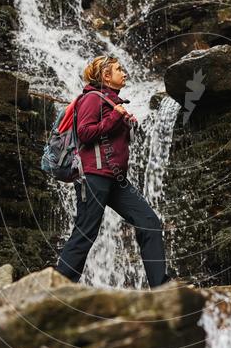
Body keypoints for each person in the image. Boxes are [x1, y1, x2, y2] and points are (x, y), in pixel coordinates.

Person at [55, 55, 171, 288]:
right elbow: (85, 133)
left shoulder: (111, 102)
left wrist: (125, 122)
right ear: (106, 76)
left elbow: (108, 133)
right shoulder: (91, 98)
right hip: (93, 176)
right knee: (85, 233)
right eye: (119, 69)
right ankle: (56, 287)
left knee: (149, 221)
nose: (124, 73)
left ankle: (162, 286)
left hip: (115, 178)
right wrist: (116, 116)